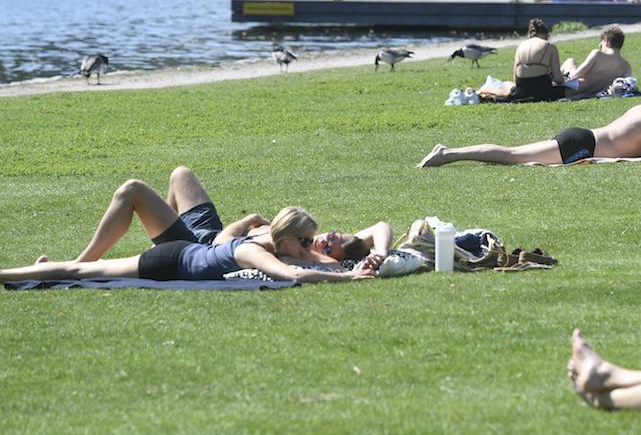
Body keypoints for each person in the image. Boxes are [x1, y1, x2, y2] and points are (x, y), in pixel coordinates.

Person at [0, 169, 384, 283]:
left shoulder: (294, 249)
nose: (315, 243)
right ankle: (17, 275)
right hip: (176, 257)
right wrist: (348, 279)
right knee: (79, 271)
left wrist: (359, 264)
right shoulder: (258, 249)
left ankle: (38, 273)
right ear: (284, 240)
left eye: (314, 240)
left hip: (186, 252)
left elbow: (314, 265)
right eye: (305, 240)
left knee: (79, 271)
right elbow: (294, 275)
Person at [417, 89, 641, 167]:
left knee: (515, 155)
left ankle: (449, 153)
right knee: (512, 155)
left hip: (582, 138)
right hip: (580, 146)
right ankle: (448, 153)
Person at [560, 26, 632, 97]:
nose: (600, 45)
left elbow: (576, 74)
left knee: (570, 61)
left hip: (573, 89)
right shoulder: (626, 67)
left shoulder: (598, 55)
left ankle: (552, 81)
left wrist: (569, 73)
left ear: (606, 41)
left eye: (601, 42)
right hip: (591, 93)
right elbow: (624, 87)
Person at [510, 18, 567, 102]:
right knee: (583, 85)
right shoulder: (549, 46)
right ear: (547, 35)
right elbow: (558, 79)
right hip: (543, 91)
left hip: (521, 91)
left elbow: (515, 80)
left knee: (506, 84)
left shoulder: (520, 46)